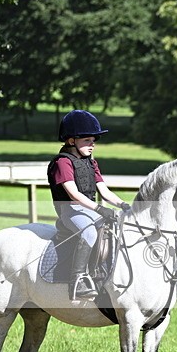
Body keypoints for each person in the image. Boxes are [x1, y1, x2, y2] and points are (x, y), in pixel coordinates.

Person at [47, 109, 130, 300]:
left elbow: (104, 191)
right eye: (87, 140)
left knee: (117, 228)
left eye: (93, 140)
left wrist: (124, 205)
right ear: (71, 141)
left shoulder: (91, 163)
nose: (92, 145)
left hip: (89, 209)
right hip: (70, 210)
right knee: (90, 233)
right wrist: (100, 209)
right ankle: (78, 279)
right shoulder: (62, 163)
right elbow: (73, 194)